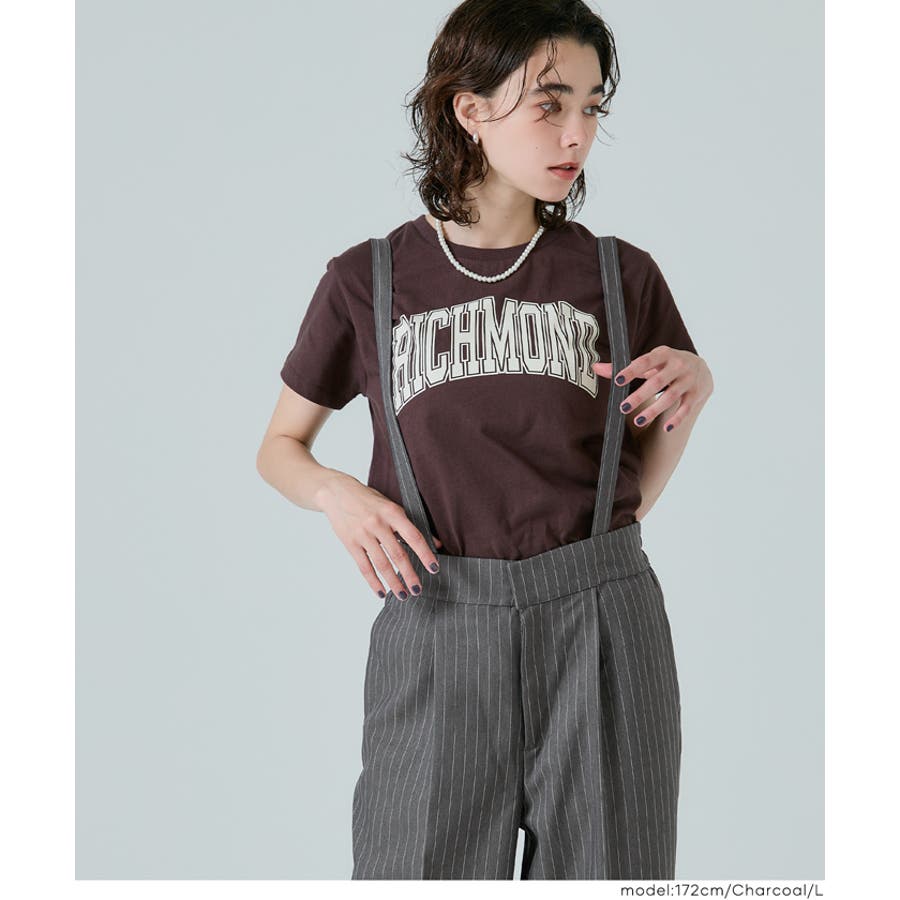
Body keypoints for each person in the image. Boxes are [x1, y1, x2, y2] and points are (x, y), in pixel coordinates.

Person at [257, 0, 714, 881]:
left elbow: (642, 461)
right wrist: (338, 494)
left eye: (592, 107)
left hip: (603, 624)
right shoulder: (368, 280)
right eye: (550, 102)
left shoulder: (619, 275)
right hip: (437, 619)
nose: (577, 133)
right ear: (470, 109)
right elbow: (280, 445)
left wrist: (698, 387)